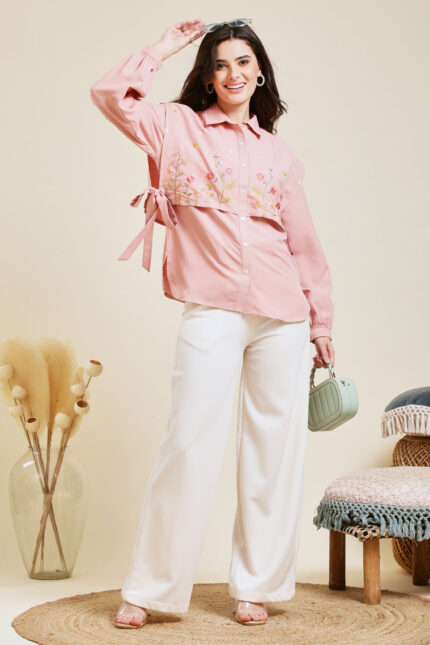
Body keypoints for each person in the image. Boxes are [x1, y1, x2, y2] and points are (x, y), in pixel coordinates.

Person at [90, 18, 335, 628]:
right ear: (206, 75)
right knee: (188, 442)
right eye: (221, 64)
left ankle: (257, 587)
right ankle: (150, 589)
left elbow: (305, 246)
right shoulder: (175, 127)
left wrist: (321, 324)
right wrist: (163, 47)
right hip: (213, 307)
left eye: (244, 62)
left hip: (283, 315)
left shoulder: (280, 156)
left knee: (273, 453)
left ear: (260, 73)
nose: (233, 74)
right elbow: (109, 95)